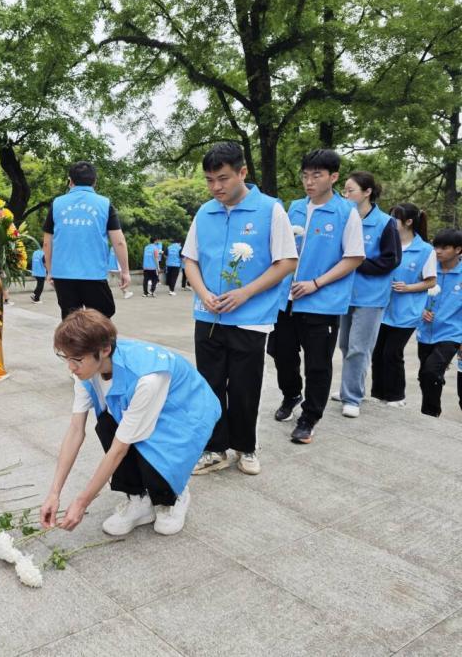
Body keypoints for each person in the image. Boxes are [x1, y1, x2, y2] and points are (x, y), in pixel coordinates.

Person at [39, 309, 220, 536]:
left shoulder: (147, 378)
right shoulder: (85, 372)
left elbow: (119, 450)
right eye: (66, 358)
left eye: (77, 360)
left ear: (105, 350)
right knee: (106, 424)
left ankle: (172, 497)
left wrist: (82, 502)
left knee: (154, 449)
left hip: (186, 413)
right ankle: (138, 498)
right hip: (147, 405)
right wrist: (54, 493)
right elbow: (76, 430)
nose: (71, 367)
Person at [183, 142, 297, 476]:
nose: (216, 187)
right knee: (210, 385)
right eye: (209, 180)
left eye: (223, 178)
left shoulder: (270, 209)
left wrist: (245, 294)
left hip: (251, 317)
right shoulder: (205, 212)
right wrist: (203, 292)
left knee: (245, 386)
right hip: (208, 315)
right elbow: (190, 259)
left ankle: (246, 446)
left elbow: (287, 261)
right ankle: (214, 448)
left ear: (242, 172)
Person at [269, 149, 364, 444]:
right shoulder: (295, 208)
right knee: (281, 353)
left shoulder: (346, 212)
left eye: (317, 175)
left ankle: (309, 418)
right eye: (305, 175)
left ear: (333, 177)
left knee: (317, 364)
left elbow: (354, 257)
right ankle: (291, 394)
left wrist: (316, 283)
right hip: (286, 299)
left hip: (322, 302)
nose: (309, 182)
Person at [330, 172, 401, 418]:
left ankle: (352, 397)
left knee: (359, 347)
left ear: (367, 192)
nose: (346, 195)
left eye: (350, 190)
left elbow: (391, 260)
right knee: (345, 345)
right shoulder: (344, 218)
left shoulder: (385, 223)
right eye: (344, 191)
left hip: (371, 296)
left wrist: (356, 262)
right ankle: (348, 387)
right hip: (345, 292)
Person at [43, 161, 130, 319]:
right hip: (94, 275)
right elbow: (119, 242)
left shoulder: (57, 204)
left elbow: (47, 242)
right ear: (95, 181)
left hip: (64, 276)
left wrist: (50, 271)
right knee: (101, 319)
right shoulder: (104, 204)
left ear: (70, 181)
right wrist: (125, 271)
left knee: (71, 322)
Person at [371, 204, 435, 407]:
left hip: (407, 312)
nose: (390, 221)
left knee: (392, 353)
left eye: (394, 218)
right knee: (377, 352)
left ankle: (396, 396)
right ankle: (378, 393)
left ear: (408, 222)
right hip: (382, 308)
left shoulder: (425, 250)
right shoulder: (387, 242)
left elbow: (431, 282)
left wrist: (408, 288)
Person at [416, 228, 462, 417]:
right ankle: (429, 414)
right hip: (424, 333)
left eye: (444, 247)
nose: (438, 251)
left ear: (458, 249)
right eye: (436, 246)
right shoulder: (428, 269)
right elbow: (413, 294)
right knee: (425, 376)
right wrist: (421, 311)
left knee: (430, 371)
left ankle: (431, 413)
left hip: (452, 334)